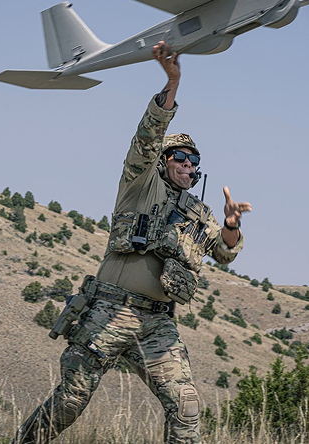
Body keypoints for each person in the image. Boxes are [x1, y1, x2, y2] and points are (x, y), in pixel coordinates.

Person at [14, 41, 252, 444]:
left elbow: (225, 252)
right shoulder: (139, 185)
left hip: (157, 322)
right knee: (71, 401)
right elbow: (147, 137)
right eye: (179, 157)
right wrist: (172, 84)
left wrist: (231, 224)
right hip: (109, 310)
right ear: (163, 161)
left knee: (186, 407)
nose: (187, 164)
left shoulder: (199, 213)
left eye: (193, 160)